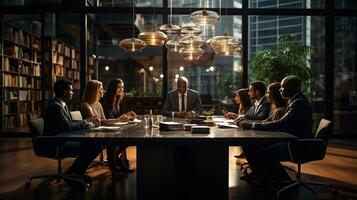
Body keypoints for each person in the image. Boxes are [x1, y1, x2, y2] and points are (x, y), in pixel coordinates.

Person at [238, 75, 313, 184]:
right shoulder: (296, 100)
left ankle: (277, 179)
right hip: (291, 139)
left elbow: (281, 123)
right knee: (251, 144)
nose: (280, 90)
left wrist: (252, 125)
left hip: (297, 144)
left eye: (283, 87)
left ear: (292, 87)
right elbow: (273, 121)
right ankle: (263, 176)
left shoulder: (298, 103)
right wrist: (252, 124)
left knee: (261, 149)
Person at [43, 79, 102, 190]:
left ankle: (75, 174)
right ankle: (73, 174)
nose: (72, 93)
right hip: (56, 143)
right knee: (93, 146)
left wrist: (87, 123)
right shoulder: (56, 107)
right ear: (65, 92)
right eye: (70, 90)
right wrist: (86, 123)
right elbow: (67, 126)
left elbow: (68, 124)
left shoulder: (62, 105)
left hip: (62, 139)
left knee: (95, 145)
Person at [81, 80, 135, 176]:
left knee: (124, 140)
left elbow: (104, 120)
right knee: (113, 141)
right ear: (94, 91)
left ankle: (115, 161)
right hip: (92, 135)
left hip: (99, 131)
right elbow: (98, 122)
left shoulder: (98, 104)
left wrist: (120, 119)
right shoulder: (87, 105)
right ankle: (114, 167)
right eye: (100, 89)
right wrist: (119, 120)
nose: (103, 91)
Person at [100, 78, 136, 171]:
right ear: (113, 88)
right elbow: (108, 118)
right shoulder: (104, 100)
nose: (122, 89)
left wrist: (126, 115)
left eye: (122, 87)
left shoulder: (116, 99)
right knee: (121, 140)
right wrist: (121, 118)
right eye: (119, 87)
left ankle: (114, 158)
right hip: (106, 129)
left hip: (114, 128)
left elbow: (116, 117)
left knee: (129, 139)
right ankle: (113, 162)